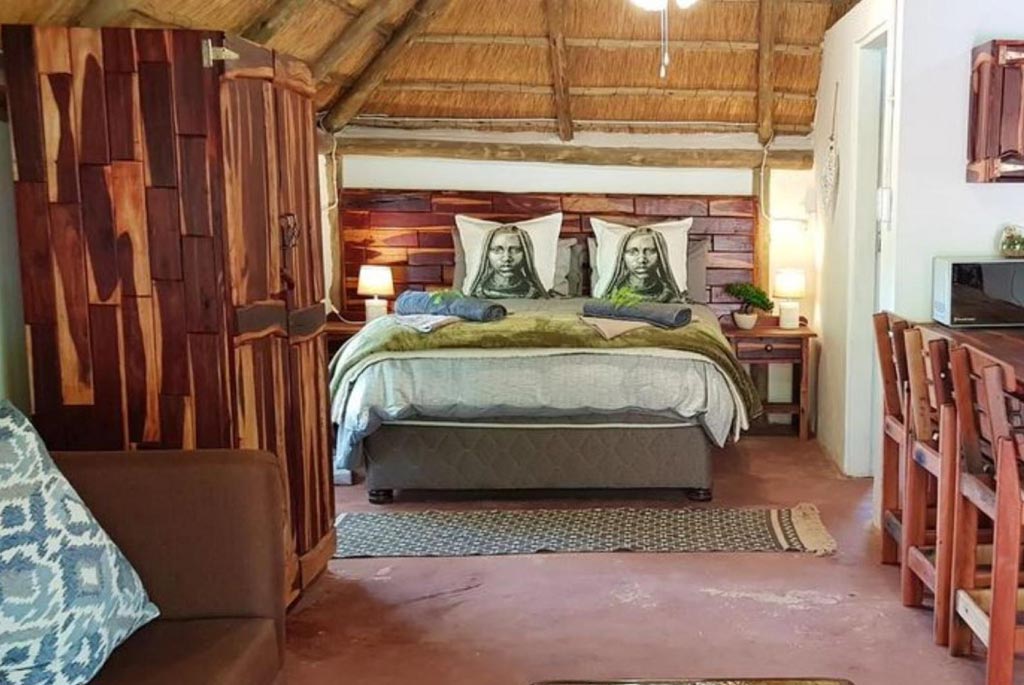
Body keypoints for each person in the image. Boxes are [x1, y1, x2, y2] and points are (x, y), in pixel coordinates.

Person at [467, 225, 548, 298]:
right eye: (497, 250)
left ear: (526, 254)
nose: (506, 258)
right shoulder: (478, 293)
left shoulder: (534, 293)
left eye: (515, 250)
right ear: (486, 254)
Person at [607, 228, 682, 302]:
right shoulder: (611, 299)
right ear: (622, 257)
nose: (641, 260)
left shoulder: (672, 300)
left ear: (660, 256)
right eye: (632, 252)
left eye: (649, 252)